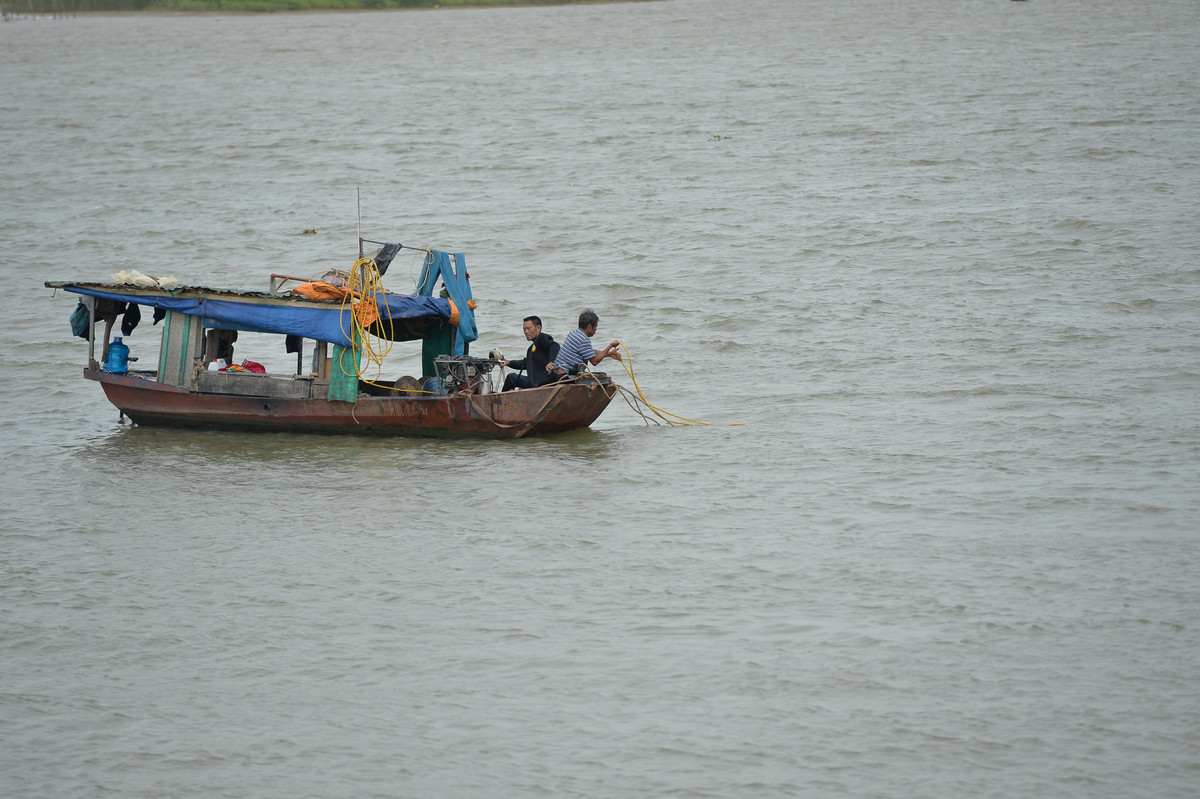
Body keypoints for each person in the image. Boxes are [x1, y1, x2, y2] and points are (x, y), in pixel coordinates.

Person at [549, 309, 621, 378]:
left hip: (556, 373)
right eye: (596, 326)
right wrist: (610, 346)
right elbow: (594, 361)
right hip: (565, 375)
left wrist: (609, 354)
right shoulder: (583, 339)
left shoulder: (574, 333)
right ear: (590, 327)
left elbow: (589, 352)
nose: (596, 329)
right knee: (603, 376)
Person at [501, 316, 560, 391]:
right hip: (533, 383)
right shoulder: (531, 349)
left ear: (538, 328)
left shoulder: (542, 338)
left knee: (511, 377)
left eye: (528, 328)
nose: (526, 332)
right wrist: (509, 363)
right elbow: (525, 363)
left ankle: (500, 401)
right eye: (524, 329)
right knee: (512, 378)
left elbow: (554, 345)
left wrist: (552, 361)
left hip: (543, 384)